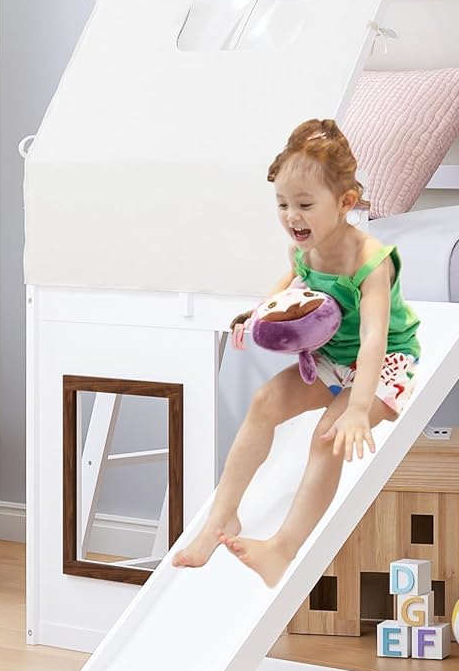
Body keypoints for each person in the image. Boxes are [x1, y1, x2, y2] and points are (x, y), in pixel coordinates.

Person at [172, 120, 420, 585]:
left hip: (385, 364)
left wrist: (358, 408)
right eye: (283, 204)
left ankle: (282, 550)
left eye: (305, 205)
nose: (292, 216)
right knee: (264, 400)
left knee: (328, 435)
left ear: (345, 203)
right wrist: (258, 314)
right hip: (332, 357)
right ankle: (220, 520)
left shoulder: (370, 261)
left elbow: (374, 339)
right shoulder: (302, 252)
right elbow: (291, 285)